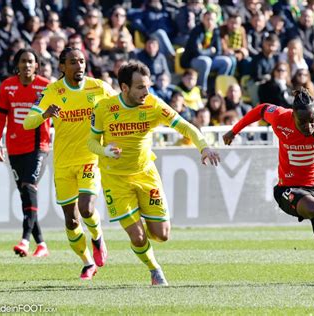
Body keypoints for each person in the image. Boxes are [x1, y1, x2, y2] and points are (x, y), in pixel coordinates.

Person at [87, 61, 220, 286]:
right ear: (124, 88)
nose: (146, 92)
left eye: (148, 86)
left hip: (145, 174)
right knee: (137, 236)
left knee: (162, 235)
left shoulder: (153, 105)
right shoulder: (104, 108)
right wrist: (104, 150)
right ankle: (154, 269)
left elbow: (185, 127)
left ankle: (140, 226)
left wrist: (204, 146)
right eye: (140, 87)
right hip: (115, 179)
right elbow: (91, 142)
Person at [223, 87, 314, 279]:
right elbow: (260, 109)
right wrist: (234, 131)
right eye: (303, 122)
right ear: (293, 117)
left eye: (312, 120)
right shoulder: (281, 117)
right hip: (288, 187)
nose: (309, 126)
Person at [23, 47, 115, 280]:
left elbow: (120, 107)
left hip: (89, 158)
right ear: (62, 67)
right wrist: (45, 115)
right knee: (71, 219)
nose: (79, 66)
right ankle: (87, 262)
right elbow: (27, 123)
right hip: (63, 163)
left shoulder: (99, 87)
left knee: (86, 208)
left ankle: (97, 237)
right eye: (73, 62)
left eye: (82, 61)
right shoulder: (52, 91)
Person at [0, 48, 50, 257]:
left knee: (28, 186)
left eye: (31, 61)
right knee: (25, 195)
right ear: (17, 64)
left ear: (37, 65)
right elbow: (1, 117)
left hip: (38, 147)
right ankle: (42, 244)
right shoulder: (7, 86)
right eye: (23, 61)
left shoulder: (45, 86)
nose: (27, 65)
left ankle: (25, 240)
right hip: (15, 148)